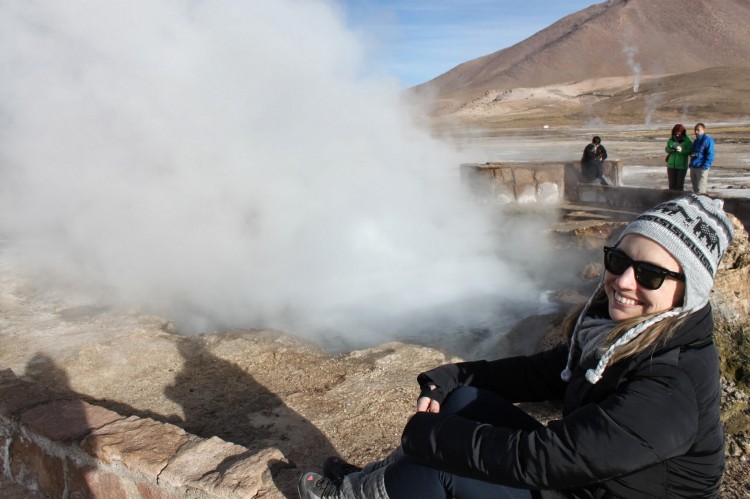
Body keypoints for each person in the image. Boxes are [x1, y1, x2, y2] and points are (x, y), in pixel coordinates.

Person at [298, 193, 734, 499]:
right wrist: (449, 377)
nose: (623, 282)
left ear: (688, 292)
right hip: (595, 482)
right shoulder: (624, 335)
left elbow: (548, 459)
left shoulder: (670, 385)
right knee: (466, 401)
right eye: (618, 261)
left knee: (442, 460)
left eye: (650, 275)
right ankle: (377, 485)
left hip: (594, 488)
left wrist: (430, 442)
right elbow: (541, 372)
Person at [665, 124, 693, 190]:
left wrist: (681, 150)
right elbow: (666, 149)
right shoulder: (671, 139)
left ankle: (679, 198)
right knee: (671, 185)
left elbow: (690, 151)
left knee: (679, 185)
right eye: (676, 131)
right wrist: (670, 150)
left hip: (681, 166)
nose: (678, 133)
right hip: (671, 165)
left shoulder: (687, 140)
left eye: (680, 131)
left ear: (683, 131)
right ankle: (671, 198)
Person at [689, 123, 716, 194]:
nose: (696, 132)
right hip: (694, 167)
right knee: (695, 190)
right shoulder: (696, 141)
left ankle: (702, 204)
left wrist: (705, 166)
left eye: (698, 130)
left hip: (701, 168)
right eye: (695, 130)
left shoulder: (708, 140)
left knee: (701, 191)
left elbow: (710, 154)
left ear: (703, 130)